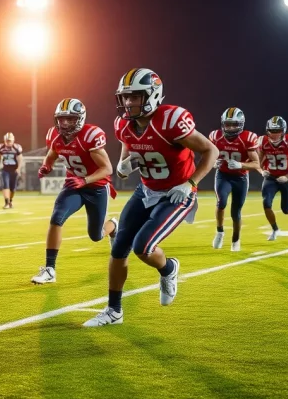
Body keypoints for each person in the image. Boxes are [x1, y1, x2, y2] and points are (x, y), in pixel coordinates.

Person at [84, 68, 218, 327]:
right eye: (125, 97)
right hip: (145, 190)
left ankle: (168, 269)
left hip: (175, 194)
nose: (128, 103)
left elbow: (210, 150)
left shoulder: (171, 120)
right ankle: (114, 311)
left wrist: (190, 183)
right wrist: (124, 166)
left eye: (135, 97)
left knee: (143, 247)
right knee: (119, 245)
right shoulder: (123, 124)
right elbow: (125, 160)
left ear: (152, 95)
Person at [33, 98, 118, 284]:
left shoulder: (89, 136)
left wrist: (85, 180)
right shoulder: (55, 136)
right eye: (61, 119)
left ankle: (113, 225)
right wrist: (46, 166)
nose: (64, 123)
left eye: (70, 119)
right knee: (56, 219)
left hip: (96, 188)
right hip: (73, 186)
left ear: (79, 118)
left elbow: (107, 169)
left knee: (95, 236)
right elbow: (52, 153)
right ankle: (49, 269)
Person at [208, 107, 261, 252]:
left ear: (241, 124)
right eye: (228, 124)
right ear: (222, 123)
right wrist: (214, 162)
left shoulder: (247, 138)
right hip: (223, 175)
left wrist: (241, 164)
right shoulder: (215, 136)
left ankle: (236, 239)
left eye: (234, 124)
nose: (230, 128)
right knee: (221, 202)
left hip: (240, 177)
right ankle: (219, 232)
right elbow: (209, 155)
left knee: (235, 211)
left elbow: (257, 163)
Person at [257, 116, 288, 241]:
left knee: (286, 210)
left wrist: (287, 176)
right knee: (266, 203)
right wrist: (261, 171)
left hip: (286, 178)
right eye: (273, 131)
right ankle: (275, 229)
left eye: (278, 131)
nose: (275, 135)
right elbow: (257, 162)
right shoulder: (263, 142)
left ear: (283, 131)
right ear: (268, 131)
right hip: (271, 178)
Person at [0, 132, 23, 209]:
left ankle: (10, 200)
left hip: (14, 170)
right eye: (7, 141)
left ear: (13, 140)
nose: (8, 142)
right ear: (4, 140)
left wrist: (19, 168)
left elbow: (20, 159)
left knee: (13, 189)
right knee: (5, 185)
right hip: (5, 169)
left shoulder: (17, 147)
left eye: (9, 141)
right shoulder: (1, 147)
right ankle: (6, 203)